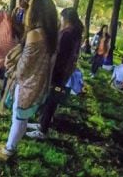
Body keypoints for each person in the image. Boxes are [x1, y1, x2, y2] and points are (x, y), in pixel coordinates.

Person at [0, 0, 59, 161]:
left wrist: (13, 72)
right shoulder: (51, 34)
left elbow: (25, 63)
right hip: (38, 82)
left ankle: (9, 150)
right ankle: (10, 146)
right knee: (22, 118)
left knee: (18, 118)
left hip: (27, 83)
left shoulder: (35, 34)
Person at [26, 7, 83, 140]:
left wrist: (51, 69)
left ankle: (42, 130)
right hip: (62, 72)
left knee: (51, 99)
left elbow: (60, 55)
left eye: (61, 18)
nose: (60, 20)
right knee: (50, 99)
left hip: (57, 72)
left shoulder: (67, 34)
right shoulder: (73, 33)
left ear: (66, 19)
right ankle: (41, 124)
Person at [0, 0, 34, 101]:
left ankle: (11, 96)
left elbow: (27, 31)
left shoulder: (30, 14)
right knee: (8, 69)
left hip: (22, 46)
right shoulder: (16, 10)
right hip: (13, 44)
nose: (19, 0)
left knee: (16, 72)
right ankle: (4, 95)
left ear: (27, 0)